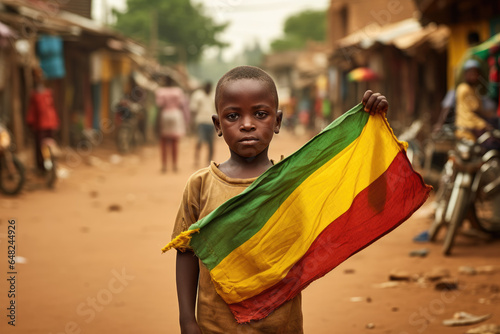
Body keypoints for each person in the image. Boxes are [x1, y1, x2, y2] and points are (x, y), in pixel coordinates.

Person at [171, 66, 388, 333]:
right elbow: (186, 252)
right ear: (218, 125)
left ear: (277, 121)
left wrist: (371, 132)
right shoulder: (200, 185)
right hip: (215, 326)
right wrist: (186, 319)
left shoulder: (291, 184)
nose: (247, 124)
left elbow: (373, 203)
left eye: (260, 114)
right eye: (233, 116)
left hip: (280, 325)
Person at [455, 59, 499, 143]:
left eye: (476, 73)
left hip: (474, 125)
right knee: (492, 143)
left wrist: (491, 115)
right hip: (468, 127)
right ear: (465, 74)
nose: (474, 75)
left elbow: (479, 110)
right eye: (471, 73)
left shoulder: (473, 89)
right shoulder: (464, 89)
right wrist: (484, 125)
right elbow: (470, 113)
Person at [26, 67, 60, 173]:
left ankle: (42, 167)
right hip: (49, 124)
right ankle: (46, 167)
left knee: (40, 147)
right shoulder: (48, 93)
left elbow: (32, 112)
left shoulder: (36, 94)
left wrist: (30, 123)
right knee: (47, 145)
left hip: (42, 126)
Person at [155, 75, 189, 173]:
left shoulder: (160, 91)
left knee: (164, 141)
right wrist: (186, 119)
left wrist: (157, 123)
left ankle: (164, 166)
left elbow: (159, 106)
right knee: (174, 141)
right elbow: (182, 105)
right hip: (175, 115)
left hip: (165, 114)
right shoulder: (178, 91)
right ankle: (174, 165)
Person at [190, 81, 216, 167]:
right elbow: (193, 110)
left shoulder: (214, 96)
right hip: (201, 121)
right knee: (199, 141)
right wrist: (192, 122)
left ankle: (209, 161)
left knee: (211, 143)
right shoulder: (198, 96)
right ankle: (196, 160)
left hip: (211, 122)